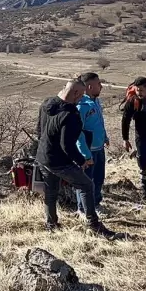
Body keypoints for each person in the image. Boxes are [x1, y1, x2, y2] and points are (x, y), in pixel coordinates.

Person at [35, 78, 114, 237]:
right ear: (76, 93)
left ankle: (51, 224)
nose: (81, 98)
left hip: (43, 156)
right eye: (81, 94)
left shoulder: (47, 103)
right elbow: (68, 145)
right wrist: (83, 160)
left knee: (51, 191)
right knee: (86, 185)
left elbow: (39, 130)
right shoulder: (71, 115)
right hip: (59, 161)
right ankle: (93, 224)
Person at [120, 76, 146, 201]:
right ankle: (145, 190)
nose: (139, 93)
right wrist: (125, 139)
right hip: (141, 137)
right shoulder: (133, 101)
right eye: (137, 90)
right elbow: (125, 120)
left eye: (141, 90)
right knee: (143, 164)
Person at [75, 72, 108, 215]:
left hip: (99, 148)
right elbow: (78, 132)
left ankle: (96, 203)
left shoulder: (96, 101)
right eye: (98, 84)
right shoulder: (81, 106)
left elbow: (99, 122)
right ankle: (83, 209)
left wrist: (105, 136)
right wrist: (84, 154)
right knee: (85, 181)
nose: (101, 86)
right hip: (88, 151)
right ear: (89, 86)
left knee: (99, 178)